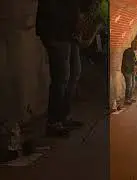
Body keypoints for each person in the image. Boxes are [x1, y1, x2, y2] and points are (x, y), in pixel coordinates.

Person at [36, 0, 84, 137]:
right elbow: (52, 9)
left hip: (69, 34)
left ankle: (64, 116)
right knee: (61, 78)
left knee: (74, 73)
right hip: (57, 33)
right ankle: (53, 122)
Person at [121, 40, 137, 105]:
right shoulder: (128, 52)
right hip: (127, 71)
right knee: (129, 85)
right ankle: (126, 99)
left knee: (133, 84)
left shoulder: (134, 52)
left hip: (131, 70)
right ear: (133, 45)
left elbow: (135, 62)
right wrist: (134, 67)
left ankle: (130, 98)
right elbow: (127, 63)